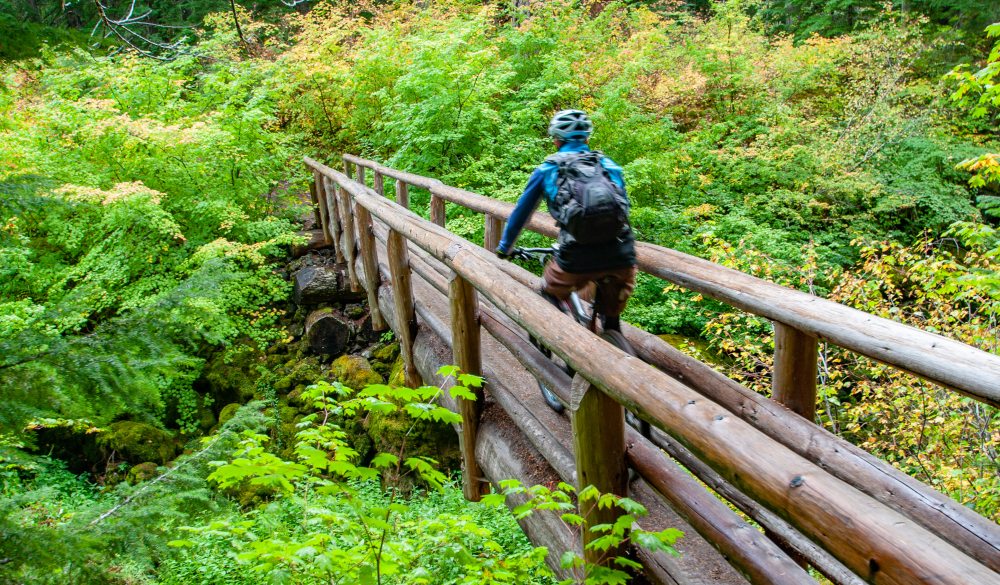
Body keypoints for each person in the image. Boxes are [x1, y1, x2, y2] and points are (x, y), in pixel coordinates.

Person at [496, 109, 637, 334]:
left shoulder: (548, 169)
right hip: (623, 255)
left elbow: (521, 214)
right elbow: (623, 209)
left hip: (577, 258)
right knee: (612, 314)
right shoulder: (608, 165)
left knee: (549, 291)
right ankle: (613, 333)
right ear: (587, 138)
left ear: (556, 140)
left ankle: (563, 344)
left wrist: (505, 247)